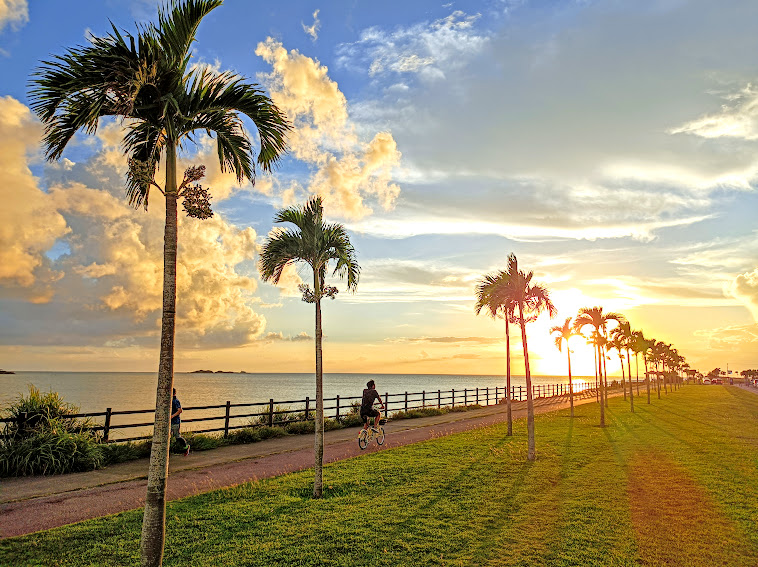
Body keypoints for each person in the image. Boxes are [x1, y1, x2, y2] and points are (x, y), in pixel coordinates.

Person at [171, 387, 190, 456]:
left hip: (175, 421)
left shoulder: (175, 401)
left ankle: (186, 446)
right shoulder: (168, 400)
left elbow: (180, 410)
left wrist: (172, 416)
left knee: (177, 437)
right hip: (170, 422)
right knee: (169, 436)